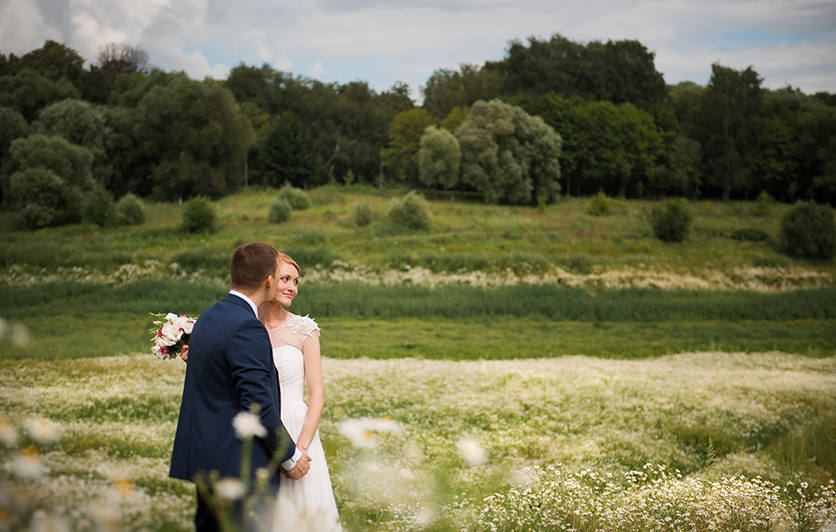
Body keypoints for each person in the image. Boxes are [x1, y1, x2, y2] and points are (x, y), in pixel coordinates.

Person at [169, 242, 311, 532]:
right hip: (239, 467)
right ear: (269, 280)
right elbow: (257, 404)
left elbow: (216, 380)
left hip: (208, 460)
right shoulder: (248, 326)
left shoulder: (209, 316)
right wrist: (290, 457)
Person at [259, 252, 341, 531]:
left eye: (295, 281)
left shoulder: (304, 329)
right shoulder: (246, 326)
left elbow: (317, 395)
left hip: (297, 428)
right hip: (258, 428)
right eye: (285, 279)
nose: (292, 287)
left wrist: (298, 450)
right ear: (267, 280)